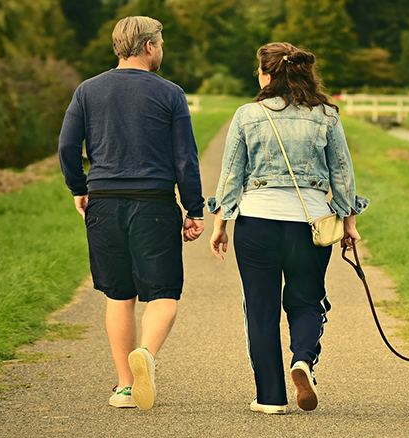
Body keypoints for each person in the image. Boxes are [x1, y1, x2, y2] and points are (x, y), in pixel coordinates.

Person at [208, 42, 369, 414]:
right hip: (310, 225)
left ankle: (270, 398)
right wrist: (349, 222)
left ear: (266, 74)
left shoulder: (247, 115)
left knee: (260, 310)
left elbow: (232, 174)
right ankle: (302, 361)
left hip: (256, 223)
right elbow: (342, 173)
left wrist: (221, 223)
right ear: (302, 73)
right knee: (307, 301)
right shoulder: (326, 116)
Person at [57, 16, 204, 411]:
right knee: (163, 293)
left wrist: (79, 187)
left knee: (119, 296)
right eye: (161, 42)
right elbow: (185, 158)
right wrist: (194, 209)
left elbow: (68, 148)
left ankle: (125, 385)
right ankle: (147, 355)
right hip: (153, 204)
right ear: (150, 47)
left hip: (103, 203)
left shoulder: (87, 91)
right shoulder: (170, 93)